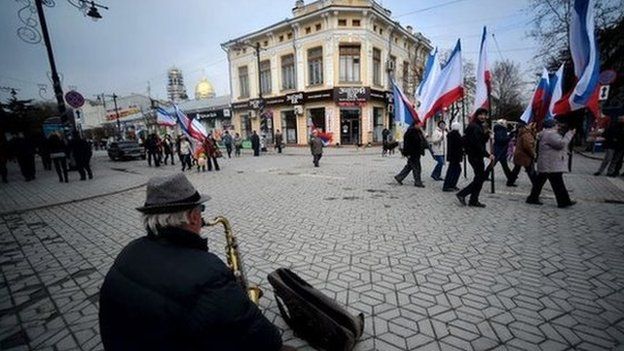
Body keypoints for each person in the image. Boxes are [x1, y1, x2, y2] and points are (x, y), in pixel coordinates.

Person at [98, 173, 287, 351]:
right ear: (193, 216)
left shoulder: (129, 252)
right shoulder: (208, 272)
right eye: (201, 210)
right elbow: (267, 341)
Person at [526, 119, 576, 208]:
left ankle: (532, 198)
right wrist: (569, 134)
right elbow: (561, 144)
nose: (558, 126)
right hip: (551, 164)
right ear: (553, 125)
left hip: (547, 163)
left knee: (539, 182)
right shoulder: (550, 134)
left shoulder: (546, 133)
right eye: (556, 124)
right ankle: (563, 202)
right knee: (558, 183)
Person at [456, 108, 494, 208]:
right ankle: (463, 194)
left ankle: (473, 199)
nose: (483, 117)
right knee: (480, 178)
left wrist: (486, 134)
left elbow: (481, 141)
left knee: (479, 178)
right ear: (477, 115)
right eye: (481, 114)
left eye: (485, 115)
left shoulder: (479, 126)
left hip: (477, 155)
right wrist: (487, 154)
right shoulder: (474, 127)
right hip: (475, 156)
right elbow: (477, 144)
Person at [488, 119, 520, 186]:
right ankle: (511, 177)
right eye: (505, 123)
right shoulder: (501, 129)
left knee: (502, 165)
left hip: (500, 150)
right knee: (497, 164)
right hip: (499, 150)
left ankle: (511, 176)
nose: (506, 124)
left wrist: (510, 135)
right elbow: (501, 140)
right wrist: (510, 136)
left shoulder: (500, 129)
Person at [394, 122, 427, 187]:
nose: (420, 125)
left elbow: (422, 141)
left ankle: (399, 177)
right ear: (415, 124)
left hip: (417, 153)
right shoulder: (410, 132)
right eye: (419, 124)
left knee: (409, 166)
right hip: (412, 153)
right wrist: (407, 153)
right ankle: (417, 182)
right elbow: (407, 144)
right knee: (417, 168)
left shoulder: (419, 132)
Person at [442, 122, 463, 191]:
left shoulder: (451, 134)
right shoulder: (455, 135)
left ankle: (451, 184)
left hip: (453, 156)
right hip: (455, 156)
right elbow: (459, 144)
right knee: (453, 170)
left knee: (455, 170)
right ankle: (448, 185)